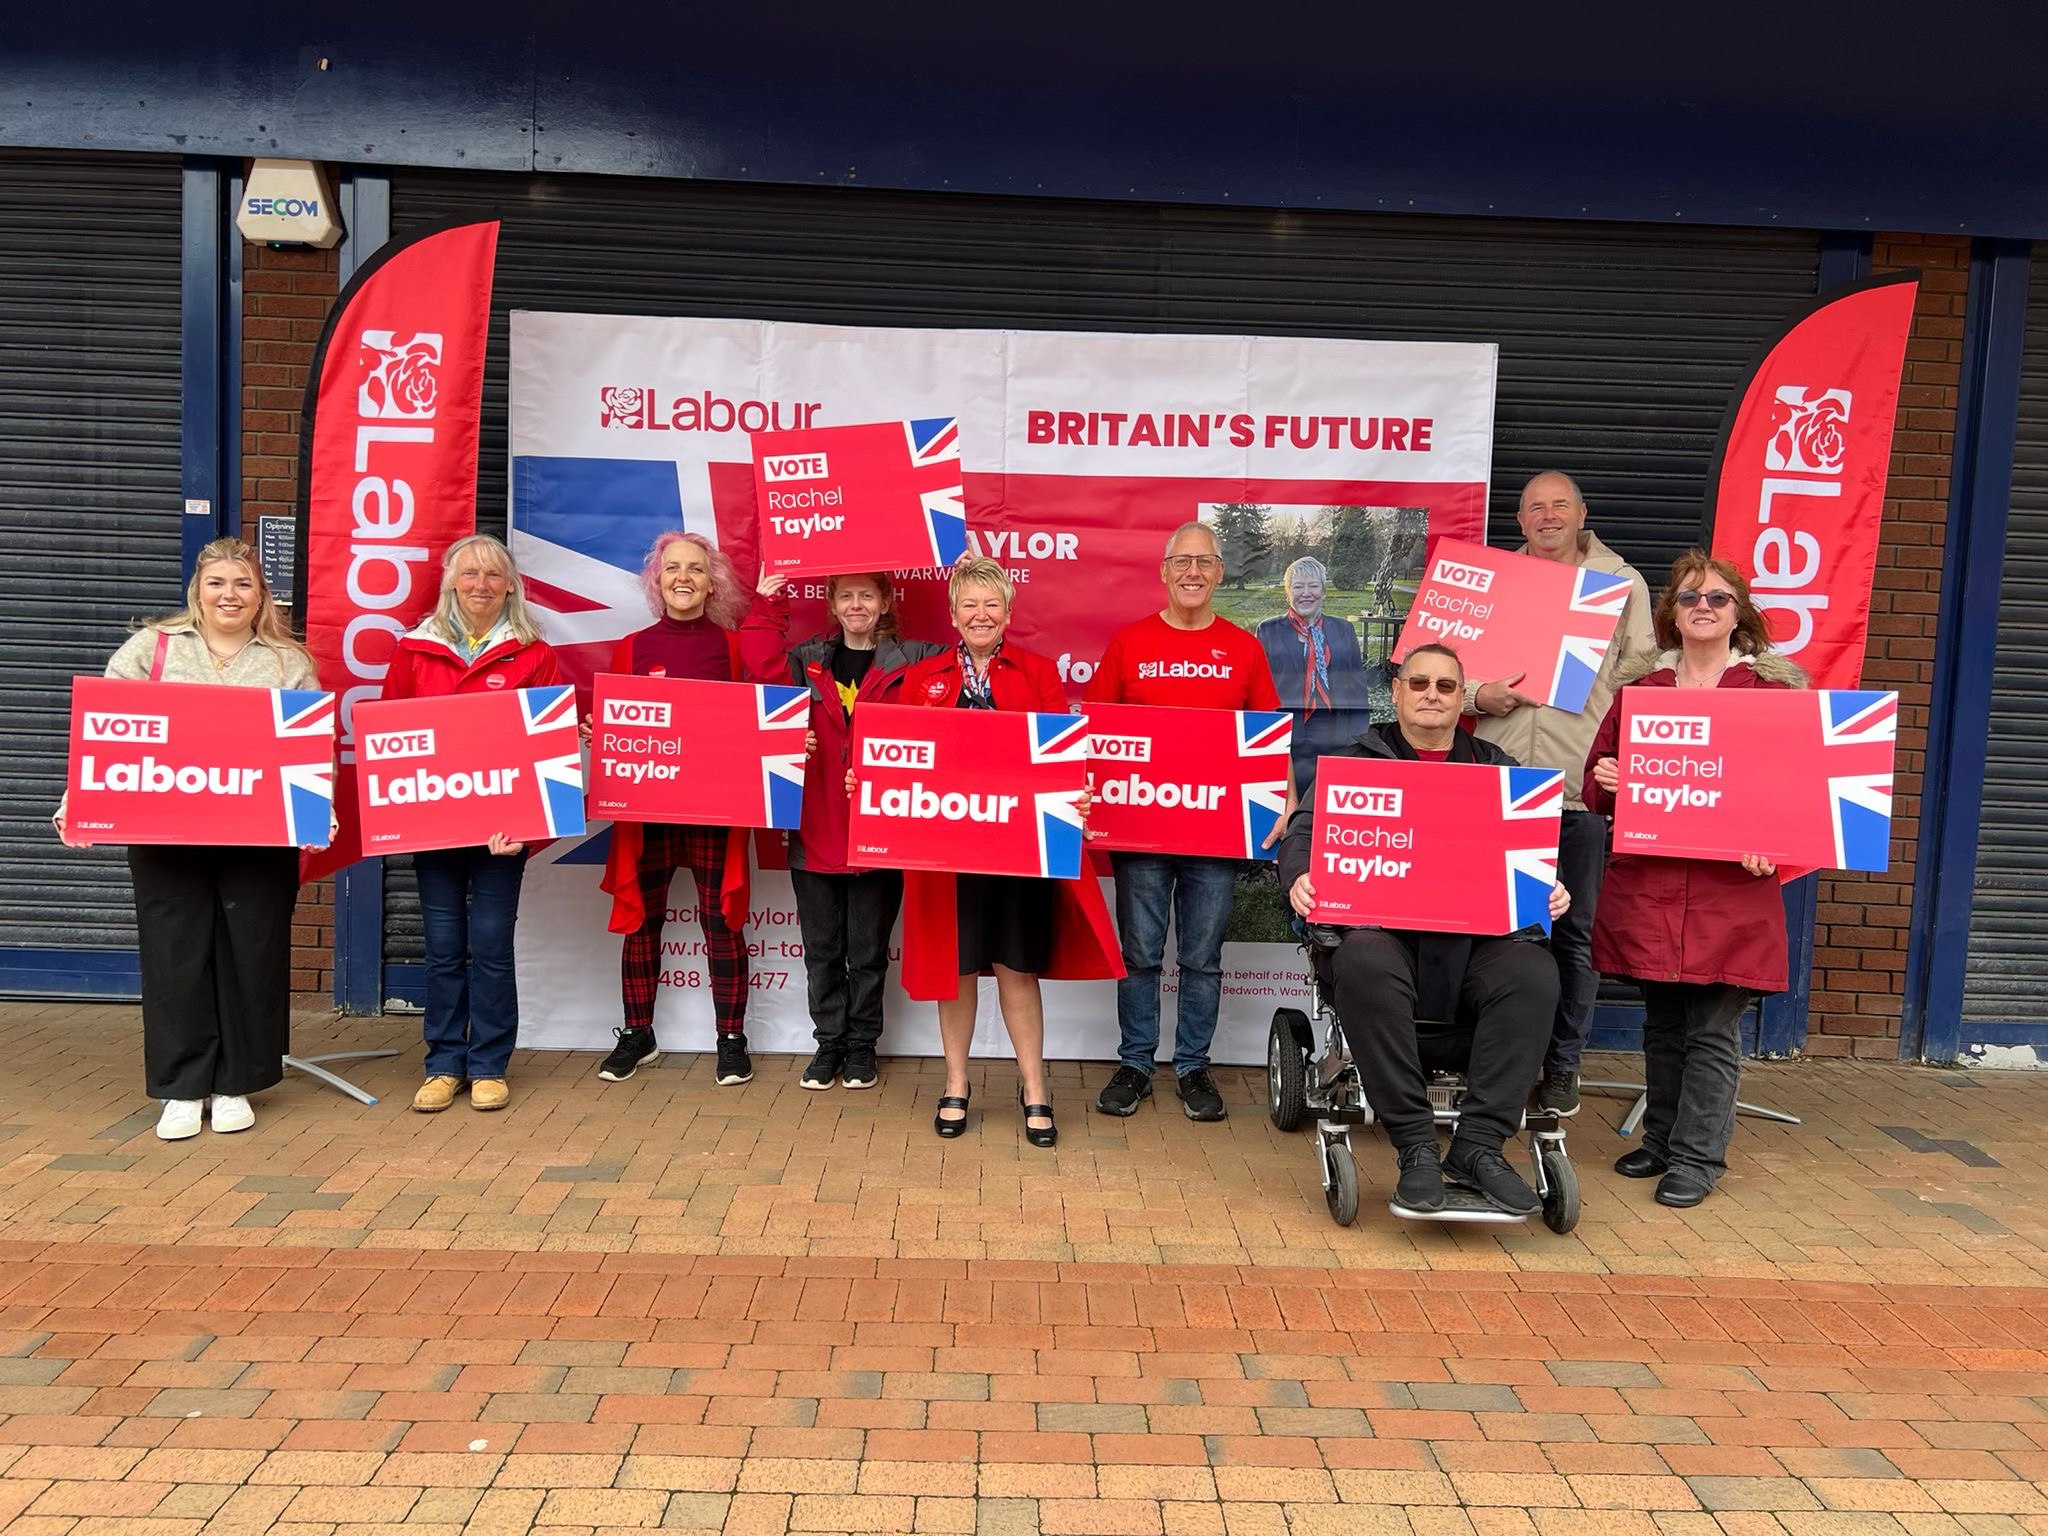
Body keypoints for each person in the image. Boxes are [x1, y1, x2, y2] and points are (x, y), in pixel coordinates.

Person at [1278, 643, 1571, 1215]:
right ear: (1397, 693)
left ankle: (1479, 1147)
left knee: (1534, 972)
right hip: (1385, 940)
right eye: (1418, 684)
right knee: (1362, 958)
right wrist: (1299, 875)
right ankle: (1414, 1147)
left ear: (1462, 698)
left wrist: (1550, 886)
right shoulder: (1355, 765)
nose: (1431, 695)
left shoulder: (1496, 767)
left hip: (1474, 946)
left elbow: (1532, 855)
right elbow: (1301, 833)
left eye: (1444, 686)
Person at [53, 537, 320, 1141]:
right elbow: (103, 735)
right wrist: (80, 804)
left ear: (261, 596)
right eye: (218, 583)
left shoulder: (287, 662)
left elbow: (310, 751)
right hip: (165, 833)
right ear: (197, 589)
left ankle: (235, 1083)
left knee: (251, 953)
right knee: (175, 955)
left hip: (258, 837)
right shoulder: (150, 649)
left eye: (243, 584)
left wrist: (315, 810)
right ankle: (182, 1087)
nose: (230, 595)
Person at [1583, 551, 1802, 1209]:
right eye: (1688, 598)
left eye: (1716, 598)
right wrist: (1607, 782)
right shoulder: (1641, 696)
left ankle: (1698, 1158)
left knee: (1711, 1026)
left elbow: (1798, 798)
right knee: (1663, 1021)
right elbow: (1598, 785)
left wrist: (1776, 847)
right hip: (1652, 885)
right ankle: (1661, 1139)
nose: (1702, 607)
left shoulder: (1772, 695)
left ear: (1741, 615)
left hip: (1727, 893)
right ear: (1670, 615)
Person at [890, 556, 1123, 1148]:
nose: (980, 614)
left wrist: (1081, 791)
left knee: (1017, 971)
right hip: (950, 854)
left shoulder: (1040, 672)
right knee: (958, 969)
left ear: (1009, 612)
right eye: (969, 604)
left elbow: (1061, 755)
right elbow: (903, 756)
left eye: (992, 604)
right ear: (952, 614)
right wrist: (869, 781)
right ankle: (957, 1082)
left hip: (1020, 851)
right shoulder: (924, 679)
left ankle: (1034, 1087)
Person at [1464, 471, 1656, 1119]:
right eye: (1535, 508)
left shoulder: (1622, 586)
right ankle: (1494, 1067)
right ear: (1519, 522)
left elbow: (1648, 689)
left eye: (1559, 506)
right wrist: (1476, 697)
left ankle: (1562, 1068)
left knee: (1573, 934)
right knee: (1493, 929)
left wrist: (1628, 768)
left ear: (1582, 515)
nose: (1547, 517)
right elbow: (1444, 669)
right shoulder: (1490, 583)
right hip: (1499, 788)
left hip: (1579, 792)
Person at [1086, 521, 1288, 1123]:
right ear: (1164, 571)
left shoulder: (1244, 648)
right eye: (1182, 562)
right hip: (1141, 832)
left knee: (1202, 957)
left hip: (1214, 834)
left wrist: (1284, 799)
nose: (1193, 572)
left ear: (1221, 572)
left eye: (1204, 562)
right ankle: (1137, 1062)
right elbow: (1097, 732)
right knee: (1141, 953)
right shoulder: (1129, 643)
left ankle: (1195, 1066)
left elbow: (1267, 741)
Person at [741, 569, 944, 1091]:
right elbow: (761, 670)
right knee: (822, 951)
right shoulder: (806, 658)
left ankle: (861, 1048)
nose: (857, 605)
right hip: (816, 828)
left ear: (884, 601)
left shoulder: (916, 659)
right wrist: (767, 605)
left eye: (866, 595)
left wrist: (968, 580)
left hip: (882, 833)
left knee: (869, 953)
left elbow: (963, 670)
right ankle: (828, 1044)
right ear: (832, 603)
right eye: (846, 596)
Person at [383, 533, 561, 1114]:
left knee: (489, 947)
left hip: (500, 837)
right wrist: (401, 819)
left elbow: (548, 754)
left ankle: (487, 1064)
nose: (480, 585)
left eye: (492, 575)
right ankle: (441, 1064)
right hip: (435, 829)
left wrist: (529, 828)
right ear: (450, 583)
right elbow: (389, 739)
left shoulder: (535, 654)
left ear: (510, 585)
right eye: (469, 574)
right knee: (441, 947)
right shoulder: (412, 653)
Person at [596, 532, 759, 1089]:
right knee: (642, 922)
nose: (682, 577)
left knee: (722, 923)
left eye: (694, 568)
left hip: (714, 810)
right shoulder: (632, 647)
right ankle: (637, 1035)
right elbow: (619, 725)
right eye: (671, 568)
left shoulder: (733, 648)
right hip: (649, 811)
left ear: (711, 581)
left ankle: (731, 1039)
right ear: (657, 579)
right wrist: (603, 734)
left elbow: (754, 726)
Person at [1255, 556, 1373, 795]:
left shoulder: (1343, 629)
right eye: (1298, 587)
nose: (1306, 593)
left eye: (1313, 586)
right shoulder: (1268, 630)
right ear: (1288, 592)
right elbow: (1260, 690)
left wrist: (1357, 739)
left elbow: (1357, 688)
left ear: (1324, 590)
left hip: (1336, 735)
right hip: (1288, 737)